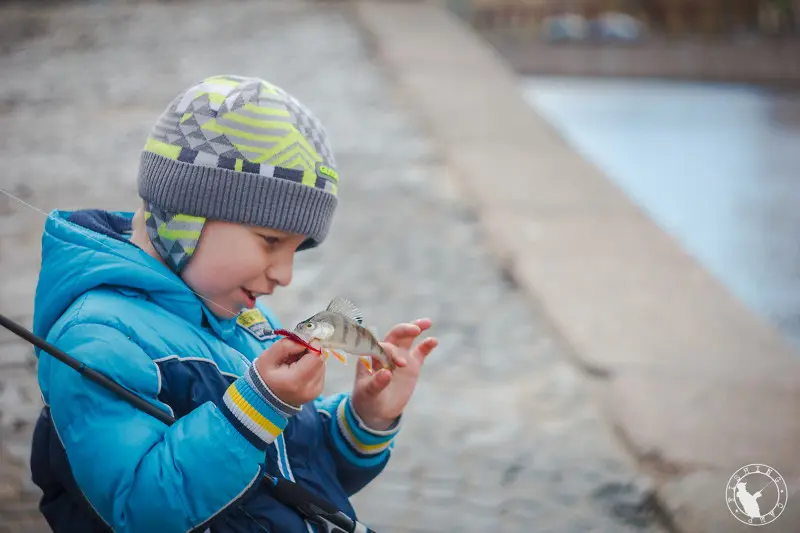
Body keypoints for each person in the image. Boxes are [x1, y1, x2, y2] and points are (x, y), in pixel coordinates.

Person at [28, 74, 438, 533]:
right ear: (185, 218)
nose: (285, 274)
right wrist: (257, 406)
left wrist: (363, 418)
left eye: (295, 250)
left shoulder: (243, 319)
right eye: (270, 241)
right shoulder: (98, 340)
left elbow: (295, 471)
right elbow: (140, 509)